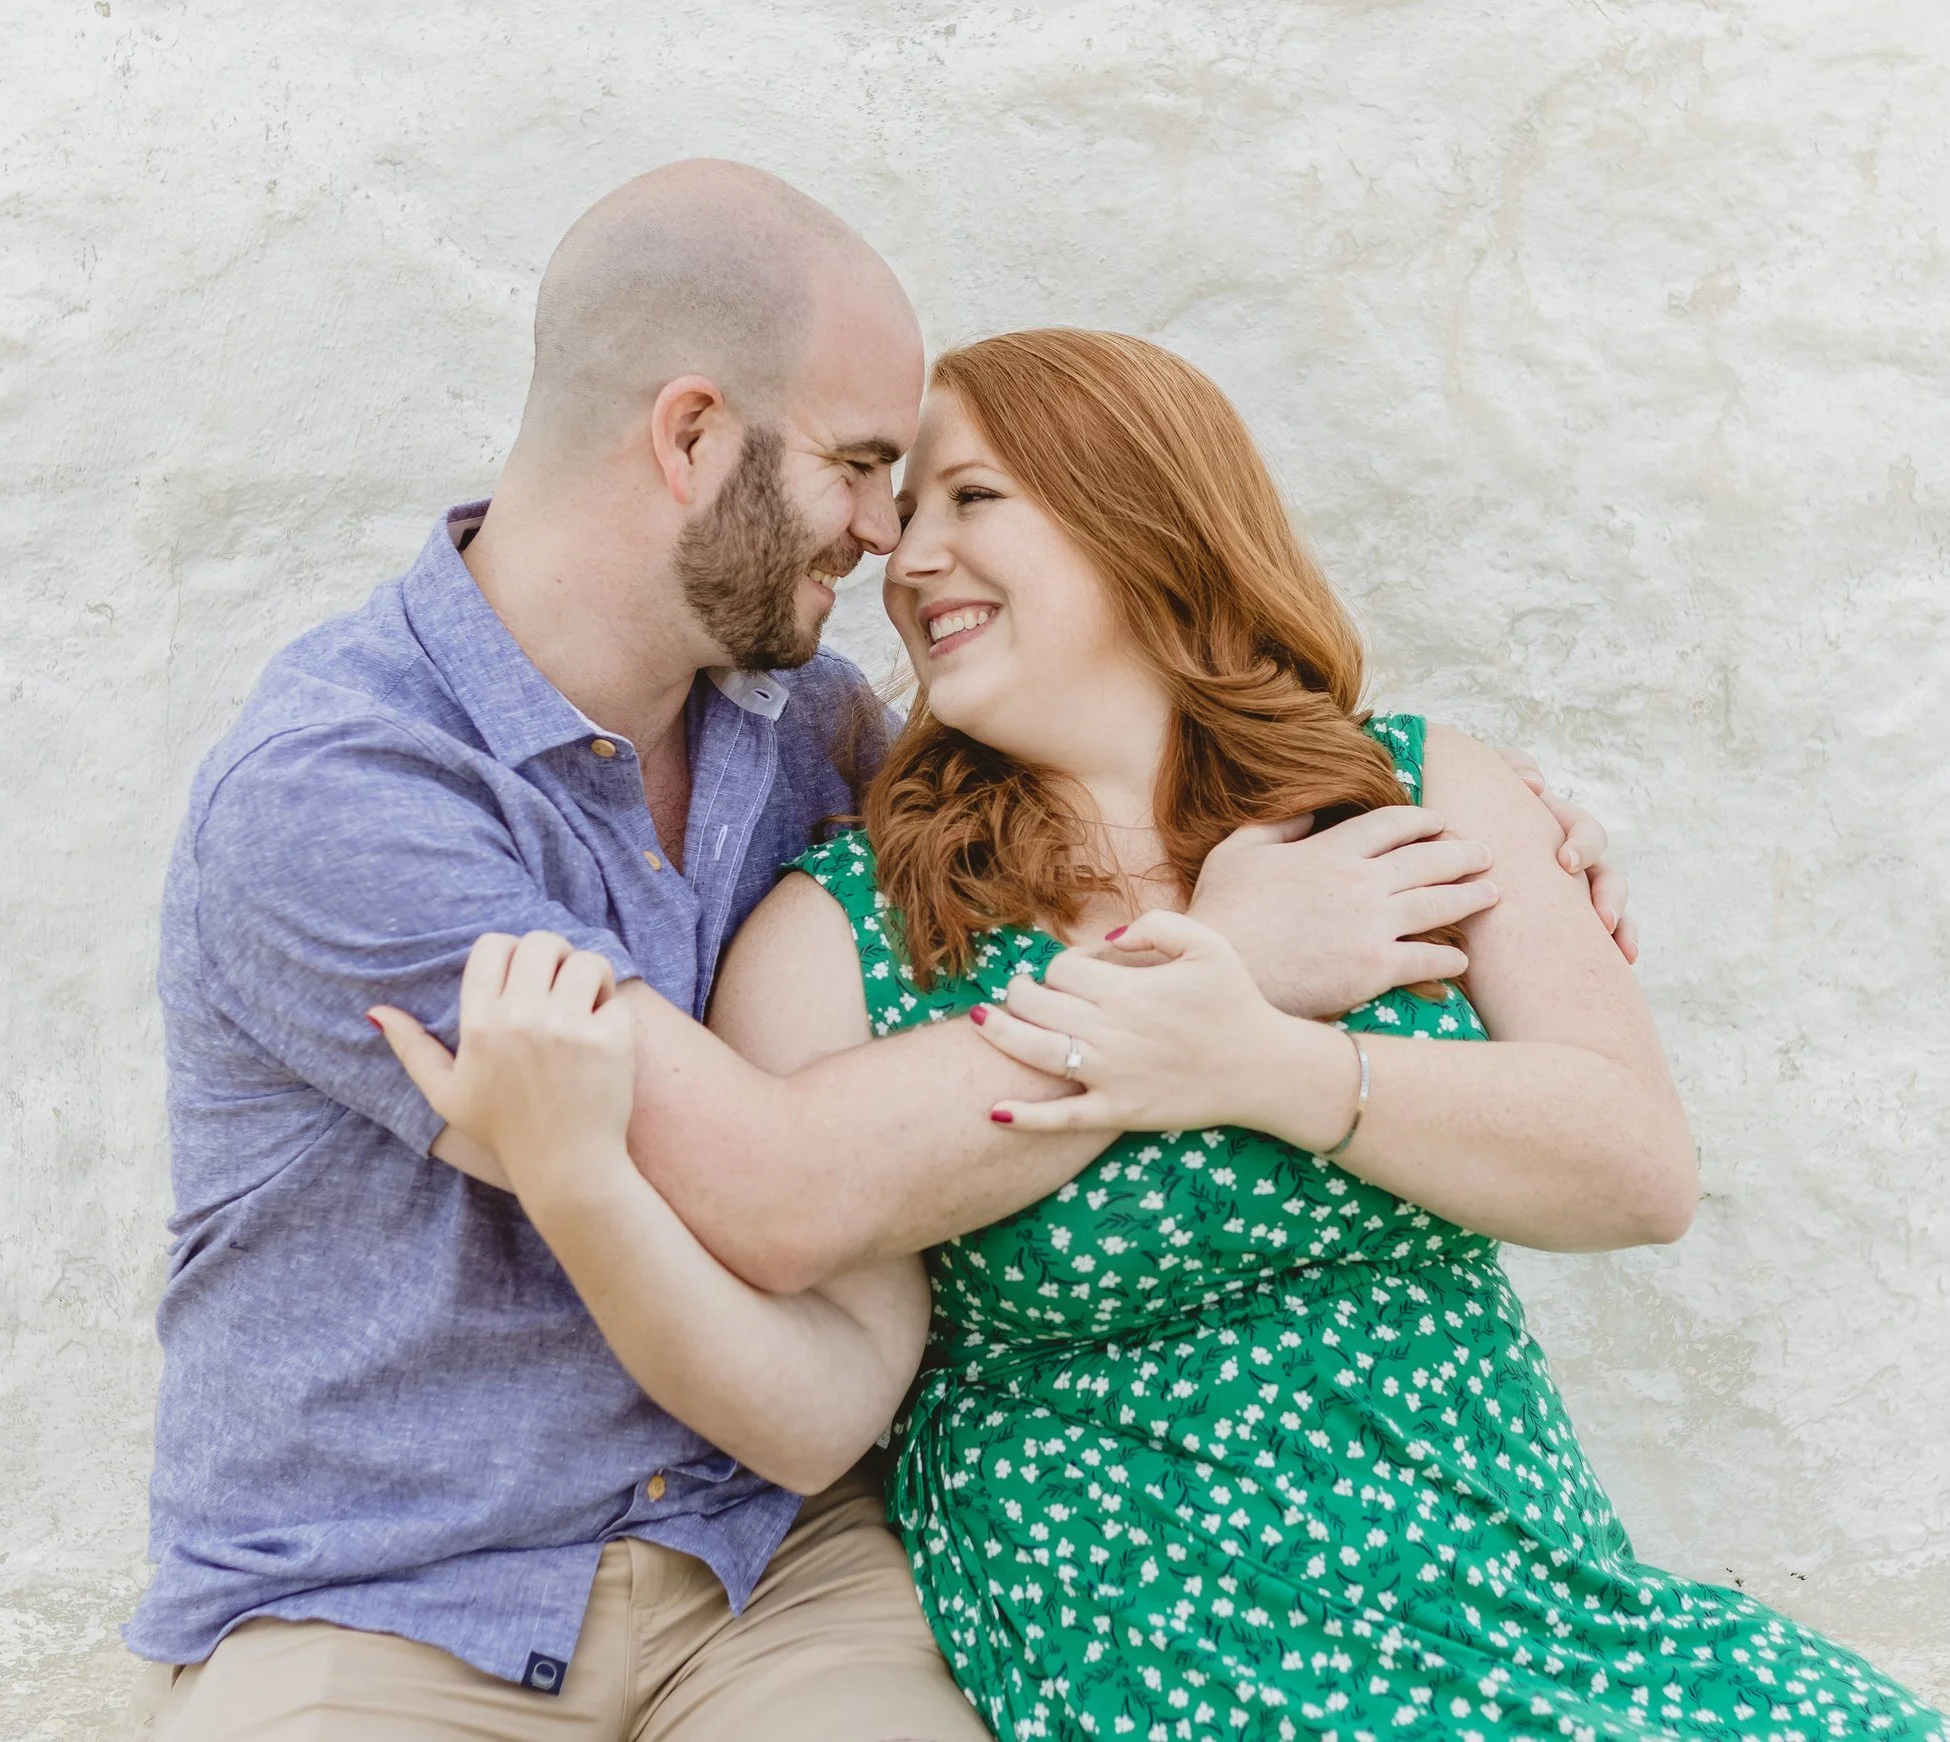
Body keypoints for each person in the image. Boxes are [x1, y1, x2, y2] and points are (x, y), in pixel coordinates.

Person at [126, 158, 1629, 1741]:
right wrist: (1213, 963)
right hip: (385, 1587)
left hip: (771, 1565)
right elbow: (768, 1186)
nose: (883, 533)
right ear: (690, 435)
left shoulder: (813, 735)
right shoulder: (340, 790)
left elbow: (1070, 833)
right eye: (858, 466)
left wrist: (1519, 835)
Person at [378, 329, 1950, 1740]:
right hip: (1155, 1622)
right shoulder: (850, 921)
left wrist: (1277, 1066)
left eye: (971, 497)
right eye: (903, 508)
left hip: (1514, 1576)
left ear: (1142, 516)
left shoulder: (1412, 796)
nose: (907, 554)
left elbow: (1637, 1168)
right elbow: (805, 1268)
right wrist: (1195, 982)